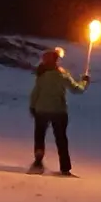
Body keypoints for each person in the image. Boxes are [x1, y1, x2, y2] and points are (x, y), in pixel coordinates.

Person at [28, 46, 89, 176]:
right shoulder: (62, 75)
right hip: (58, 111)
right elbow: (77, 89)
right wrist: (84, 82)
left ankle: (38, 163)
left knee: (39, 136)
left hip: (41, 110)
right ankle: (65, 168)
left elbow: (35, 93)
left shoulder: (41, 75)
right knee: (61, 139)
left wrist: (32, 107)